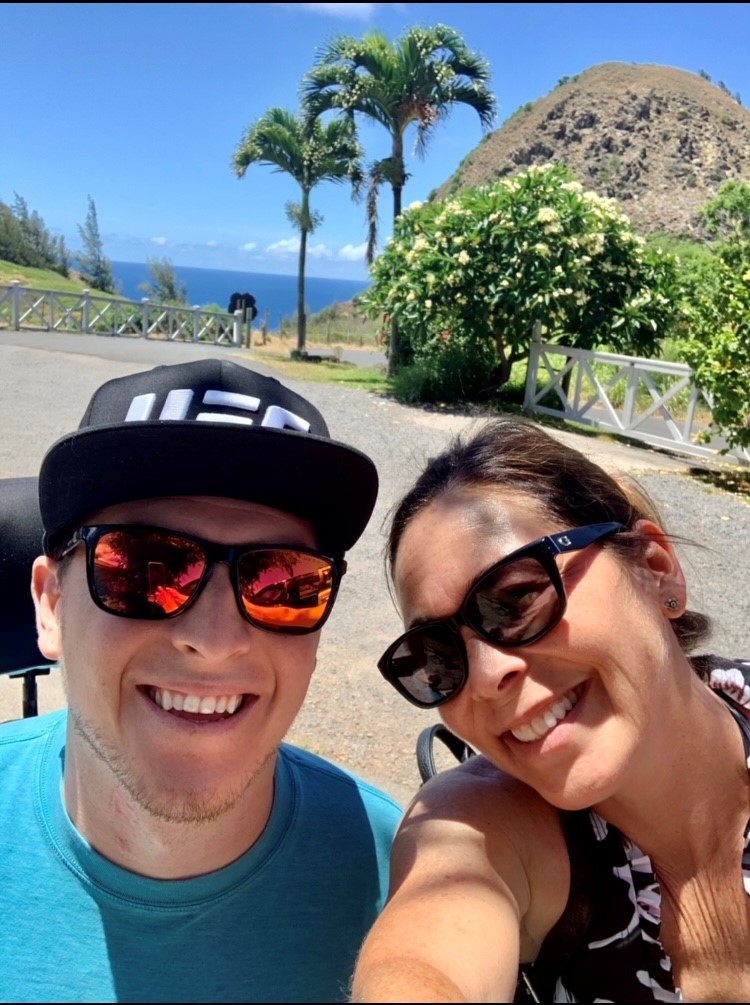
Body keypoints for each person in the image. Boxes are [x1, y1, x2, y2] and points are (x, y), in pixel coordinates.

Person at [0, 357, 403, 1003]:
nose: (215, 639)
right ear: (50, 603)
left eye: (282, 582)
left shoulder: (397, 877)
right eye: (143, 566)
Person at [351, 415, 750, 1004]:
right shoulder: (484, 825)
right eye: (436, 655)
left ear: (655, 570)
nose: (488, 677)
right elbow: (425, 961)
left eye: (517, 596)